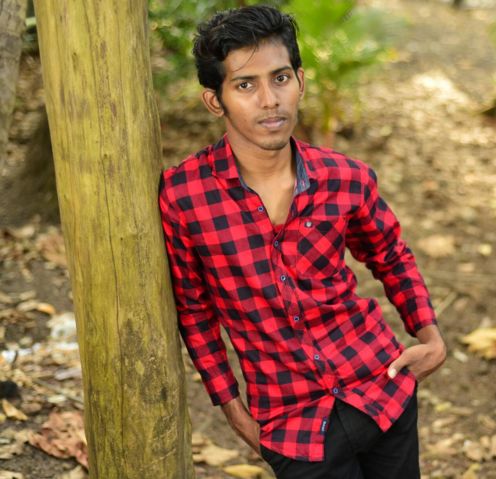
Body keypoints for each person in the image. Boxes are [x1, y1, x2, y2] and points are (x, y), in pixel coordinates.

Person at [158, 5, 446, 478]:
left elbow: (390, 255)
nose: (270, 100)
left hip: (382, 393)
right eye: (245, 85)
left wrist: (430, 337)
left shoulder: (346, 177)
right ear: (215, 101)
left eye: (281, 78)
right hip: (293, 428)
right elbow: (194, 308)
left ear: (301, 81)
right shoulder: (184, 195)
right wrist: (233, 410)